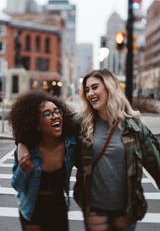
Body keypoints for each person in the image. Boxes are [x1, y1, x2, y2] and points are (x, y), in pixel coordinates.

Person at [73, 68, 160, 231]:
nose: (90, 93)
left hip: (125, 212)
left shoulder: (133, 125)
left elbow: (155, 163)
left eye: (95, 87)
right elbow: (50, 126)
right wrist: (22, 142)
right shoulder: (82, 123)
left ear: (109, 87)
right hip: (95, 211)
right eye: (87, 90)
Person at [8, 89, 78, 231]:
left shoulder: (71, 146)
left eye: (57, 111)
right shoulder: (27, 150)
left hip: (58, 206)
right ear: (36, 125)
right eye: (47, 114)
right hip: (32, 208)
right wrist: (23, 170)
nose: (55, 116)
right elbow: (17, 186)